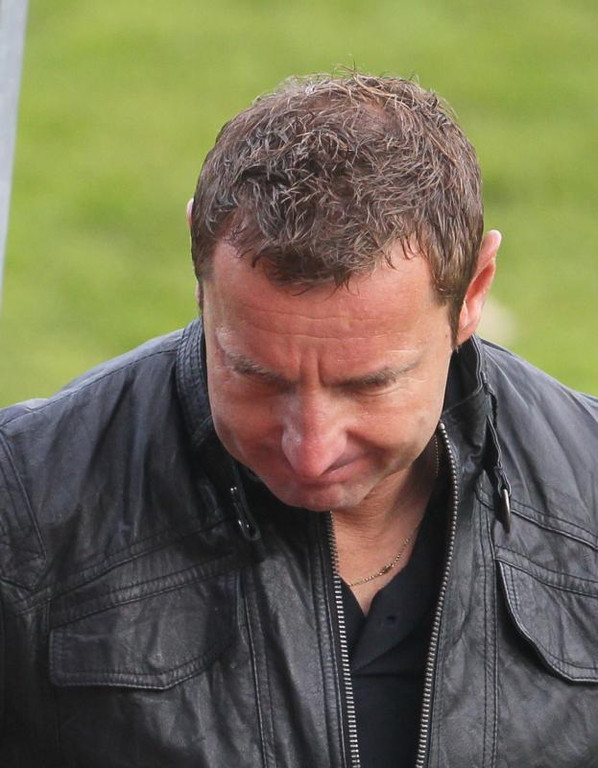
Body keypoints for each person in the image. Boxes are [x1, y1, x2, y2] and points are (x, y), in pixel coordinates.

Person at [0, 73, 596, 768]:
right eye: (257, 375)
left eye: (369, 384)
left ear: (473, 294)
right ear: (200, 269)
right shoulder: (25, 502)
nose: (310, 451)